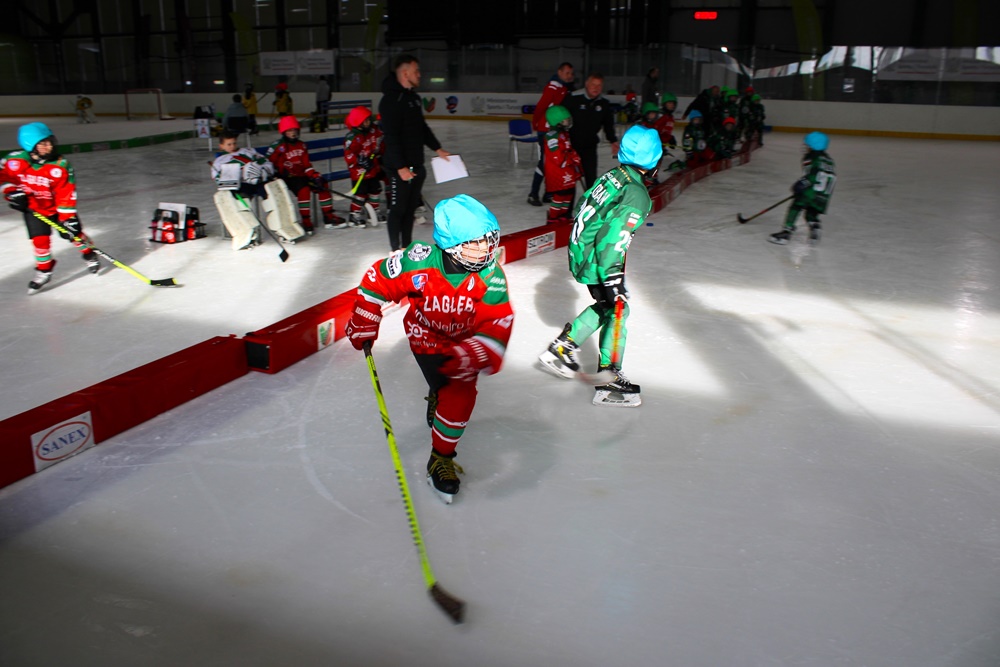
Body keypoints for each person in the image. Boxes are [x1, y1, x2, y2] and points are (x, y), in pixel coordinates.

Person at [344, 194, 514, 504]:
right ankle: (438, 391)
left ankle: (440, 457)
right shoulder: (418, 261)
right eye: (476, 243)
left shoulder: (491, 275)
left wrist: (477, 351)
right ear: (450, 244)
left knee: (460, 394)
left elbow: (498, 318)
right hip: (426, 338)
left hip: (463, 343)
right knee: (442, 384)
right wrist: (365, 316)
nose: (487, 249)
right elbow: (376, 279)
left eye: (489, 239)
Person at [537, 125, 662, 408]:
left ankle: (562, 348)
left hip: (581, 248)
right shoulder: (637, 195)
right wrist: (613, 278)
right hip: (598, 256)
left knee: (608, 307)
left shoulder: (614, 175)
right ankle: (609, 377)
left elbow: (584, 203)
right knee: (618, 308)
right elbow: (613, 237)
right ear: (654, 161)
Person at [1, 122, 100, 294]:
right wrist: (11, 192)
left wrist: (68, 218)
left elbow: (66, 192)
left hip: (56, 209)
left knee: (74, 235)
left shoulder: (60, 165)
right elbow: (4, 176)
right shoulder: (14, 161)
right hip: (33, 209)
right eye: (43, 143)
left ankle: (89, 253)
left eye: (50, 141)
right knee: (40, 241)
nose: (50, 146)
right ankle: (44, 270)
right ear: (30, 147)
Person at [378, 53, 451, 251]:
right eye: (416, 71)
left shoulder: (414, 99)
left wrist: (437, 148)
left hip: (416, 164)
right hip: (399, 167)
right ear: (405, 73)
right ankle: (395, 251)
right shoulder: (391, 100)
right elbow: (391, 137)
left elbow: (422, 128)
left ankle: (406, 247)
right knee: (398, 209)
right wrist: (400, 167)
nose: (420, 75)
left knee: (410, 209)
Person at [266, 116, 344, 234]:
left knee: (322, 184)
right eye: (290, 130)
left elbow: (306, 164)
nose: (293, 133)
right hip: (287, 178)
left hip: (302, 175)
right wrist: (278, 171)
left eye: (295, 130)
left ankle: (328, 216)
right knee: (304, 189)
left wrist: (314, 175)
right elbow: (268, 163)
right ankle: (306, 220)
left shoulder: (301, 145)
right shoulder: (277, 146)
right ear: (284, 132)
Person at [211, 129, 277, 250]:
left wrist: (263, 171)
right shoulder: (219, 161)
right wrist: (229, 180)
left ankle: (282, 226)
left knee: (273, 193)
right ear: (221, 146)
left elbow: (266, 163)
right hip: (242, 185)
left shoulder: (248, 152)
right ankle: (249, 233)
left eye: (234, 143)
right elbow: (218, 179)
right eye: (229, 144)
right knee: (242, 201)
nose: (232, 146)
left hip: (257, 182)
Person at [770, 132, 835, 245]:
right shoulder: (829, 160)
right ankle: (814, 226)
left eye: (808, 144)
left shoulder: (811, 157)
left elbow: (813, 173)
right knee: (810, 213)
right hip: (824, 194)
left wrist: (802, 183)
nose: (806, 147)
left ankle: (786, 233)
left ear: (812, 145)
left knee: (795, 207)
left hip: (811, 190)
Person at [527, 62, 575, 207]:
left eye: (571, 73)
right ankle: (533, 194)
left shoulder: (563, 87)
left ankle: (548, 193)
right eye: (567, 73)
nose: (569, 76)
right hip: (546, 130)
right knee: (545, 162)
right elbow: (542, 106)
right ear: (559, 72)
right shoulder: (553, 86)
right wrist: (536, 123)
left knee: (553, 162)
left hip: (554, 129)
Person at [565, 73, 619, 190]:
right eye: (593, 85)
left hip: (590, 146)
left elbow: (608, 124)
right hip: (571, 146)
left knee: (591, 178)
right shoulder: (573, 98)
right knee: (570, 180)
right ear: (586, 84)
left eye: (599, 85)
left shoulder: (603, 103)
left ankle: (590, 206)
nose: (596, 88)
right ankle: (567, 208)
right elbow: (561, 118)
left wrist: (613, 140)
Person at [342, 105, 385, 226]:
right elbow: (349, 154)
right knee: (360, 193)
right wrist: (359, 161)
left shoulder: (373, 130)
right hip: (359, 171)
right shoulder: (352, 137)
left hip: (372, 168)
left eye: (368, 119)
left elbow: (380, 140)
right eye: (364, 120)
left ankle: (374, 212)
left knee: (375, 190)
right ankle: (354, 214)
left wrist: (379, 150)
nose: (368, 122)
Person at [542, 105, 582, 224]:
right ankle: (553, 217)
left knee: (569, 193)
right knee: (560, 194)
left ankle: (563, 215)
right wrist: (570, 159)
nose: (568, 122)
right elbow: (557, 157)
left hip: (567, 170)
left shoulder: (564, 134)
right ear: (557, 122)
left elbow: (568, 149)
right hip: (557, 172)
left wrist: (576, 160)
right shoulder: (552, 136)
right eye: (566, 120)